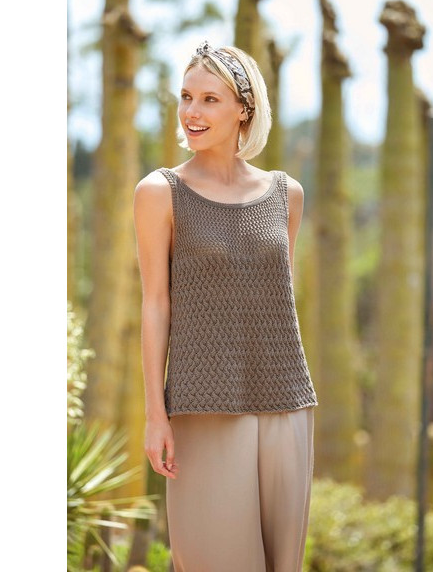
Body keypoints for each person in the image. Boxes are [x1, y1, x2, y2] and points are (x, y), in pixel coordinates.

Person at [133, 40, 319, 572]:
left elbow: (274, 300)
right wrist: (155, 415)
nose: (192, 111)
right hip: (202, 406)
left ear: (244, 108)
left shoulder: (286, 194)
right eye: (186, 97)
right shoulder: (160, 192)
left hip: (286, 404)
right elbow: (156, 305)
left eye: (210, 99)